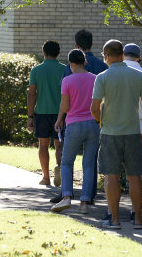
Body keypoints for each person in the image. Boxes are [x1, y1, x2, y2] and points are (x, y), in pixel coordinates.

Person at [91, 39, 142, 229]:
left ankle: (115, 220)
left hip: (110, 132)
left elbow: (94, 107)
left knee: (111, 176)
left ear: (107, 56)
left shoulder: (102, 77)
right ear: (123, 53)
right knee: (135, 177)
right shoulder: (137, 75)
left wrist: (100, 121)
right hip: (133, 131)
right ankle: (139, 220)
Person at [51, 29, 108, 204]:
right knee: (89, 164)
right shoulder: (96, 78)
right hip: (93, 124)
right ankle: (85, 200)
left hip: (74, 124)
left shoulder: (68, 80)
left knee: (68, 162)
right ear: (85, 61)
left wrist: (59, 119)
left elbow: (65, 105)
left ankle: (67, 196)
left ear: (70, 63)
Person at [27, 40, 65, 186]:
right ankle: (60, 171)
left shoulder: (36, 70)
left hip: (41, 112)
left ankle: (46, 177)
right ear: (58, 53)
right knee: (59, 144)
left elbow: (31, 94)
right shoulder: (64, 69)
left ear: (43, 52)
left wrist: (30, 116)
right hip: (60, 113)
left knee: (43, 145)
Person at [123, 43, 142, 221]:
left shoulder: (111, 71)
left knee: (112, 174)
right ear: (138, 57)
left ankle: (112, 212)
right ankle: (137, 212)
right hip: (139, 126)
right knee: (134, 174)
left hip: (115, 127)